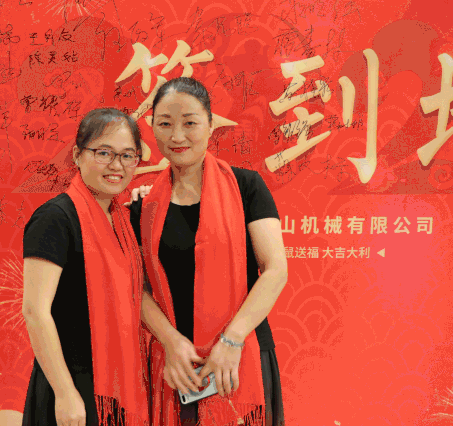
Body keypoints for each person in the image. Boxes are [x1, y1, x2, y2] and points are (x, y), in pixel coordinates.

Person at [128, 77, 287, 426]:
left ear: (211, 125)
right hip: (176, 366)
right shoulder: (143, 207)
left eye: (190, 123)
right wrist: (171, 342)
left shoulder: (246, 186)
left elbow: (275, 268)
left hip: (240, 356)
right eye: (165, 124)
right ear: (152, 127)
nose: (177, 136)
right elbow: (136, 288)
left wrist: (232, 340)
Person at [22, 108, 150, 426]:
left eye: (127, 155)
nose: (116, 165)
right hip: (69, 387)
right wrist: (65, 393)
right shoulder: (55, 218)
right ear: (78, 155)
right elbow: (35, 311)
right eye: (104, 153)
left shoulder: (124, 221)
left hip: (117, 387)